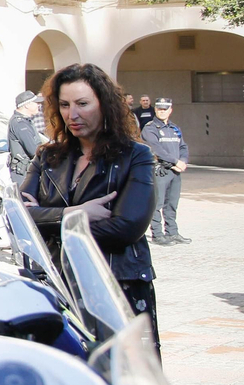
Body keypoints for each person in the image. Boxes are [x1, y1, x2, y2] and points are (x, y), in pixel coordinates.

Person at [21, 64, 159, 353]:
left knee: (122, 382)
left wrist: (46, 220)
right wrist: (74, 213)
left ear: (104, 104)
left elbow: (127, 227)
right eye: (65, 105)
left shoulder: (136, 155)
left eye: (83, 104)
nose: (72, 114)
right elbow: (19, 220)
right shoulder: (48, 156)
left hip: (116, 284)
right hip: (58, 283)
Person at [142, 98, 189, 246]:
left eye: (165, 109)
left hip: (175, 171)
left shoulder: (174, 128)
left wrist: (183, 161)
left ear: (170, 110)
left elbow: (183, 147)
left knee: (172, 203)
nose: (162, 111)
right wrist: (175, 162)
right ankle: (157, 234)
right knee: (157, 203)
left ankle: (172, 232)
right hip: (160, 170)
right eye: (159, 109)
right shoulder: (150, 128)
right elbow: (156, 149)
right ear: (155, 110)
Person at [7, 90, 45, 184]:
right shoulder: (20, 123)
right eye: (36, 103)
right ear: (27, 105)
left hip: (28, 172)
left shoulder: (25, 121)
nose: (38, 105)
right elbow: (33, 150)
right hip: (23, 174)